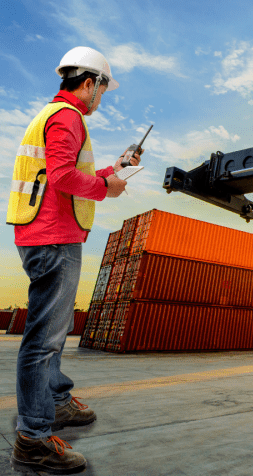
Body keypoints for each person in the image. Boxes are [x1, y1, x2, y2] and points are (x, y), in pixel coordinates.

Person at [6, 46, 142, 474]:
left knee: (54, 332)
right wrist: (109, 189)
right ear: (90, 84)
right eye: (103, 89)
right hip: (52, 237)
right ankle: (33, 438)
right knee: (43, 340)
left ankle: (58, 402)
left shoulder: (52, 115)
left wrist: (113, 169)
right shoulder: (69, 117)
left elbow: (60, 171)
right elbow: (64, 176)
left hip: (43, 232)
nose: (103, 98)